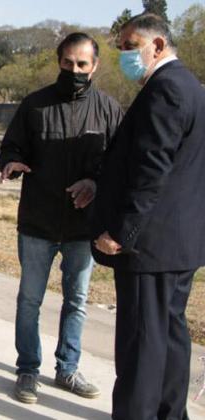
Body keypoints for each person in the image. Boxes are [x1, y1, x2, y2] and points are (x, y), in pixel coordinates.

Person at [0, 33, 123, 404]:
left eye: (82, 64)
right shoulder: (34, 106)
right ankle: (27, 370)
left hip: (82, 228)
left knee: (77, 300)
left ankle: (67, 369)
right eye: (68, 63)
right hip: (37, 221)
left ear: (95, 66)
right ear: (59, 61)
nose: (75, 70)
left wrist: (96, 183)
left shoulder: (109, 110)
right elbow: (11, 145)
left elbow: (122, 165)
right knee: (29, 301)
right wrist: (11, 162)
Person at [93, 13, 205, 420]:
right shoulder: (190, 86)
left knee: (142, 343)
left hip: (151, 245)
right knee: (170, 336)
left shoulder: (166, 90)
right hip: (179, 243)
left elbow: (151, 172)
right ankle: (169, 413)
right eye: (121, 47)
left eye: (130, 45)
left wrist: (122, 232)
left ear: (157, 46)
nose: (124, 54)